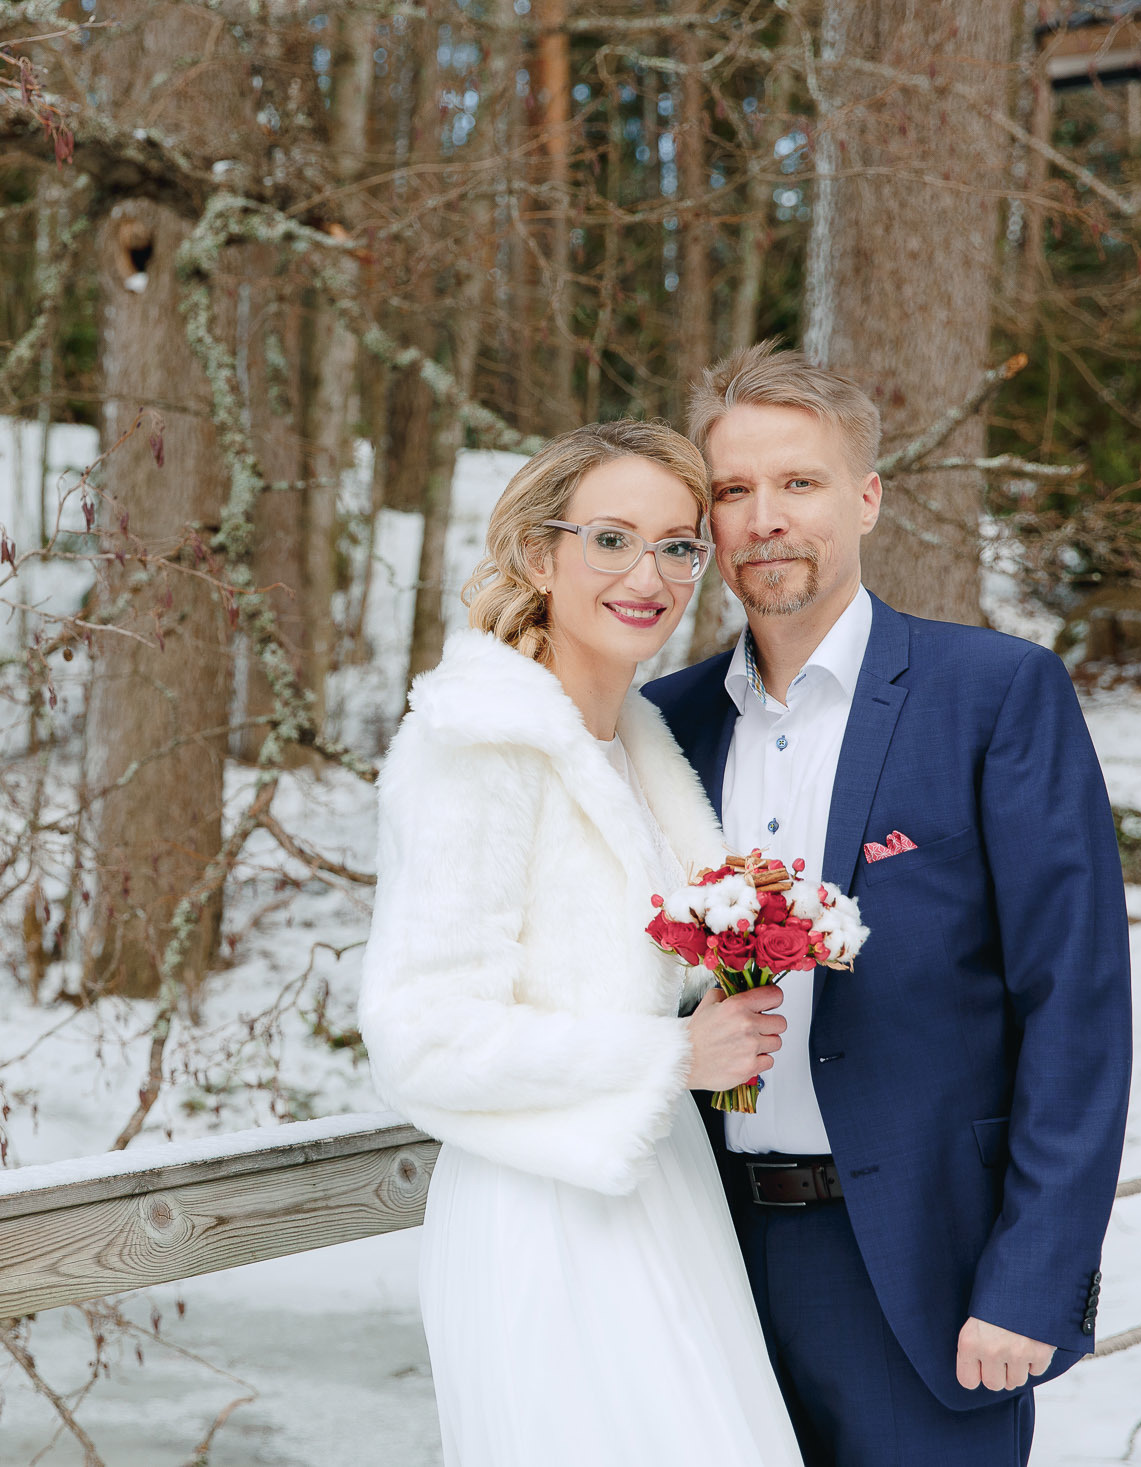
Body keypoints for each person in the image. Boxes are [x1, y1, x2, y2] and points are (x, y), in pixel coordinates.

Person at [643, 342, 1134, 1466]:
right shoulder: (660, 724)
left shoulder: (994, 695)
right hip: (696, 1256)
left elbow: (1075, 1005)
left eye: (799, 483)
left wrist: (1035, 1280)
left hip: (922, 1271)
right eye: (732, 491)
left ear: (865, 499)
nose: (765, 517)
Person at [359, 421, 804, 1466]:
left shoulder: (634, 742)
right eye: (610, 539)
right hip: (545, 1215)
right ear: (534, 552)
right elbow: (420, 1036)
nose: (646, 574)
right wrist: (669, 1057)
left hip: (662, 1192)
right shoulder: (479, 746)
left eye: (677, 546)